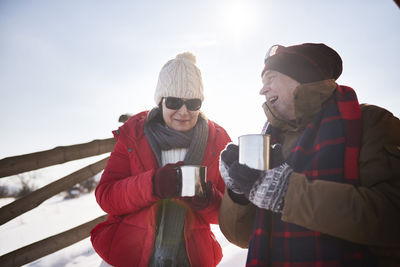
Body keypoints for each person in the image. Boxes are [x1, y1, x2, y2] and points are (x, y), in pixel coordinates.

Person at [218, 43, 400, 266]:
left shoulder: (371, 123)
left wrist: (286, 193)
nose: (262, 90)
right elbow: (240, 237)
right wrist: (238, 194)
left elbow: (391, 219)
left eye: (271, 79)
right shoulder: (270, 139)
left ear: (301, 76)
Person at [91, 52, 231, 267]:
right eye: (174, 102)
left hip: (192, 257)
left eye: (193, 103)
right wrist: (153, 184)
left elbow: (225, 215)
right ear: (161, 101)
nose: (184, 112)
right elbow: (106, 197)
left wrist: (206, 199)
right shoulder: (134, 135)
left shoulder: (217, 141)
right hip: (130, 253)